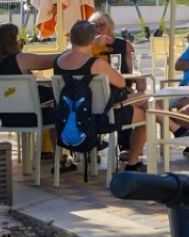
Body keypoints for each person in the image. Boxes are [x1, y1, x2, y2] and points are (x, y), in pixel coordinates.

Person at [53, 20, 129, 169]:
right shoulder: (96, 64)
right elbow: (121, 83)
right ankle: (132, 161)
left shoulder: (58, 61)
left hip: (70, 116)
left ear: (71, 37)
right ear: (93, 39)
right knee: (146, 110)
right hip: (101, 118)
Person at [92, 12, 150, 169]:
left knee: (135, 100)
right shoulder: (87, 47)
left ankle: (127, 147)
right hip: (96, 94)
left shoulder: (124, 45)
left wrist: (140, 78)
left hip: (121, 88)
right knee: (142, 106)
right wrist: (93, 43)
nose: (97, 29)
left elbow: (135, 68)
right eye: (94, 26)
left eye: (101, 25)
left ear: (110, 27)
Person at [0, 23, 59, 159]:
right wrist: (78, 51)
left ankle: (58, 157)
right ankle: (62, 159)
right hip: (31, 117)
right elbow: (55, 60)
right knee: (62, 109)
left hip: (7, 118)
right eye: (18, 38)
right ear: (11, 41)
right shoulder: (21, 59)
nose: (20, 42)